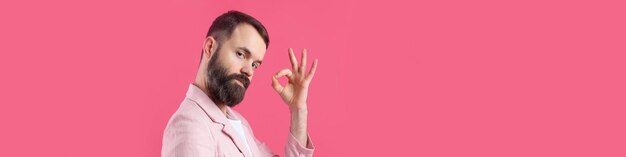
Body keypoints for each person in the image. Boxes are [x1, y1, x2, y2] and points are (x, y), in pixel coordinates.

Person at [162, 10, 318, 157]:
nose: (249, 71)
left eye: (255, 65)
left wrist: (298, 109)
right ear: (210, 47)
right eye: (241, 54)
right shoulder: (190, 124)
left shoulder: (239, 123)